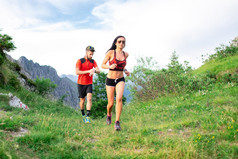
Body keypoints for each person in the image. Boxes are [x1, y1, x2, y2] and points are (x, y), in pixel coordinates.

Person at [101, 35, 130, 131]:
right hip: (110, 80)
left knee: (119, 98)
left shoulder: (126, 54)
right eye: (119, 41)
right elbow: (102, 65)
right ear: (115, 43)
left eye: (123, 42)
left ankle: (117, 122)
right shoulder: (111, 53)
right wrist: (110, 66)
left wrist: (125, 70)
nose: (121, 43)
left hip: (120, 79)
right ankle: (109, 114)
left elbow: (122, 66)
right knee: (110, 103)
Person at [76, 46, 100, 123]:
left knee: (89, 98)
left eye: (93, 52)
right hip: (81, 83)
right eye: (90, 52)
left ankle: (88, 116)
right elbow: (77, 72)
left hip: (89, 83)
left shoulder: (93, 61)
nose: (92, 54)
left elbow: (98, 70)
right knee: (82, 101)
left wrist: (94, 71)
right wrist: (88, 71)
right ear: (86, 52)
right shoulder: (80, 61)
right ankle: (83, 114)